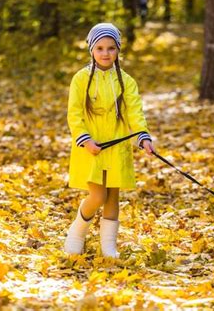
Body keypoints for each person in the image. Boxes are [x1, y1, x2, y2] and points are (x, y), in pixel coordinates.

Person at [64, 23, 154, 258]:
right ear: (91, 50)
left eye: (111, 48)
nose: (106, 53)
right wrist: (85, 140)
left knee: (113, 195)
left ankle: (108, 247)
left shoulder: (126, 81)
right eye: (100, 48)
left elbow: (134, 112)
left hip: (117, 146)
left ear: (118, 50)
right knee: (98, 195)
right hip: (91, 146)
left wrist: (142, 137)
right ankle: (77, 233)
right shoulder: (81, 79)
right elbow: (74, 114)